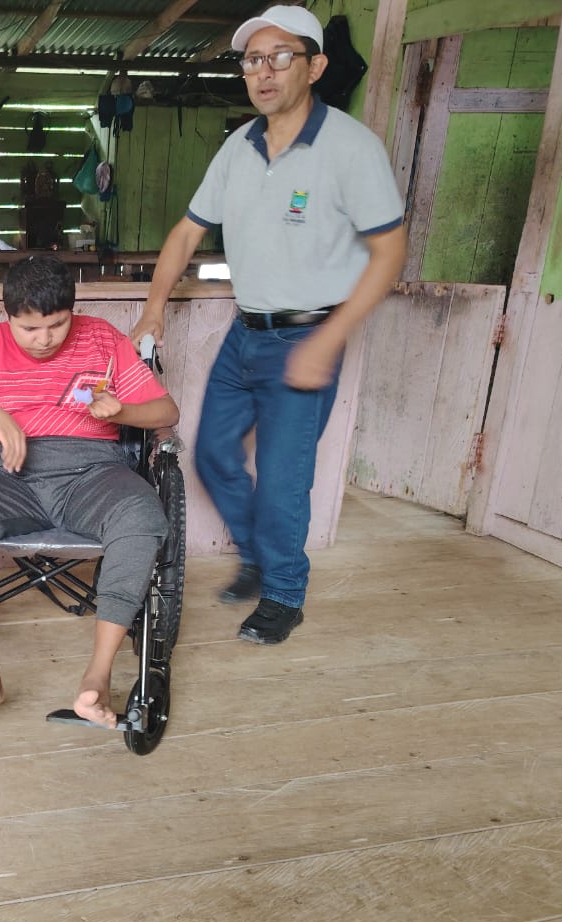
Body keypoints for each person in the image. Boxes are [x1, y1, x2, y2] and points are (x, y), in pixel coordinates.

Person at [130, 5, 406, 646]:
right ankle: (258, 555)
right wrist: (153, 307)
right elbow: (186, 232)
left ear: (316, 66)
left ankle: (284, 593)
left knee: (284, 478)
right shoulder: (239, 147)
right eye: (253, 59)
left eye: (281, 56)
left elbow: (390, 252)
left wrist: (329, 339)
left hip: (309, 334)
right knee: (211, 454)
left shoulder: (351, 148)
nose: (264, 71)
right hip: (245, 332)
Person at [0, 256, 180, 727]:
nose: (43, 339)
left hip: (92, 475)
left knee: (142, 516)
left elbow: (166, 411)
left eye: (57, 325)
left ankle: (97, 679)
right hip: (7, 477)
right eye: (28, 328)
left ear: (71, 311)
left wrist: (121, 412)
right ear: (8, 316)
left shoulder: (103, 339)